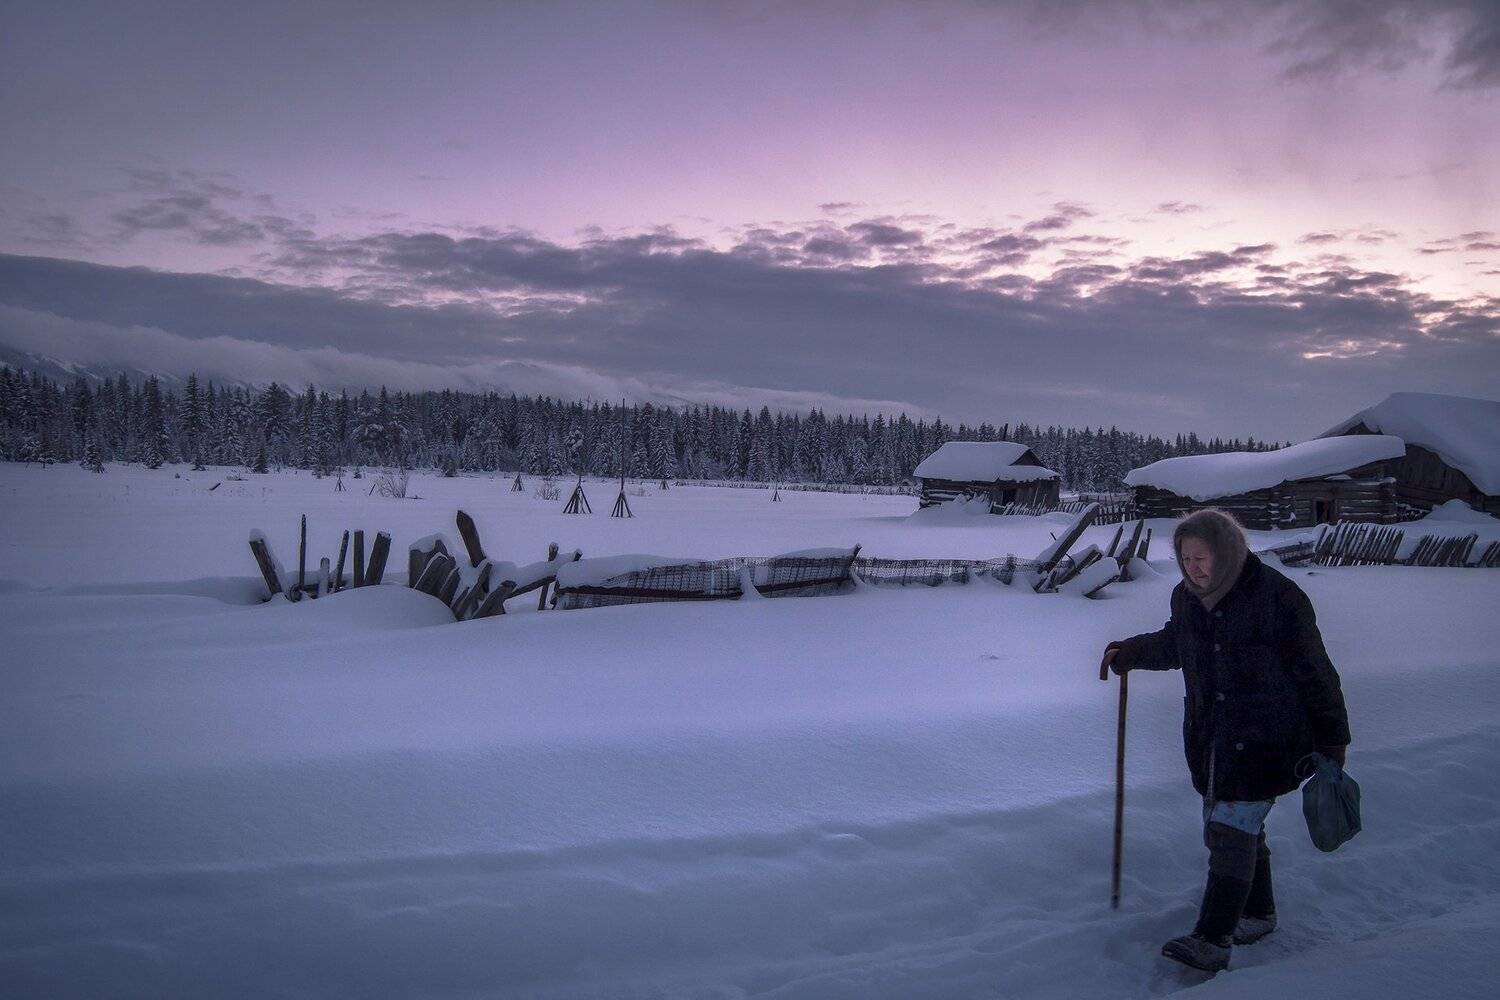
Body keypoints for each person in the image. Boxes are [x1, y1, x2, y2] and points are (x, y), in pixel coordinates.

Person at [1101, 508, 1350, 973]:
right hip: (1211, 738)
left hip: (1267, 738)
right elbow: (1176, 643)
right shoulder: (1187, 598)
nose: (1194, 567)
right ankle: (1258, 913)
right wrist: (1131, 652)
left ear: (1229, 551)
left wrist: (1333, 739)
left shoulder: (1277, 597)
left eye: (1203, 557)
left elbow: (1316, 671)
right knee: (1237, 828)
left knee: (1229, 832)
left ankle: (1212, 938)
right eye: (1185, 558)